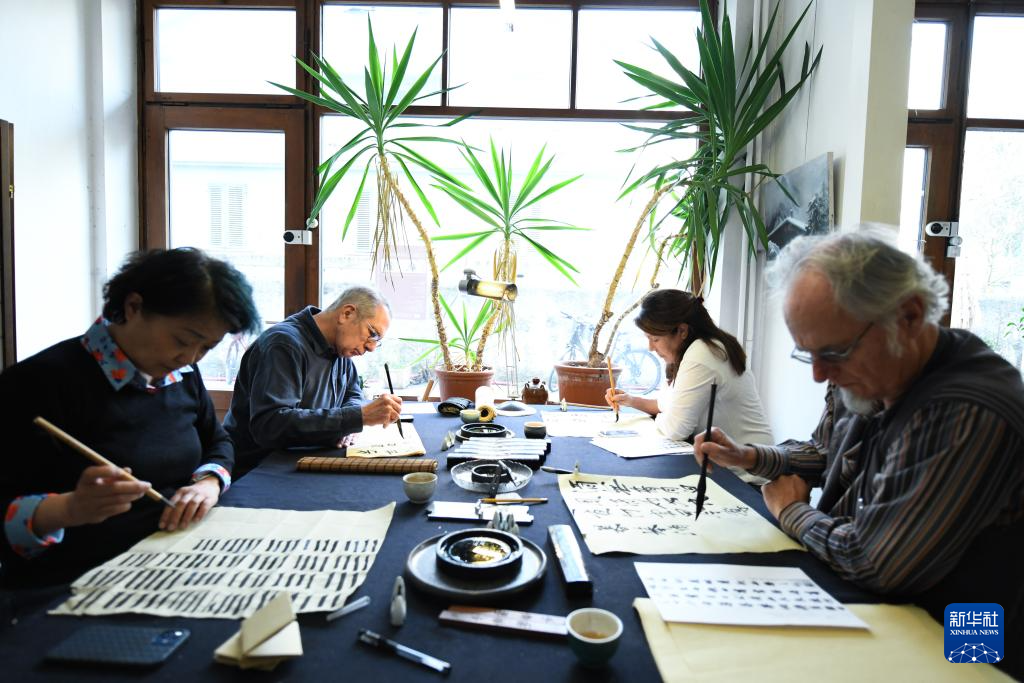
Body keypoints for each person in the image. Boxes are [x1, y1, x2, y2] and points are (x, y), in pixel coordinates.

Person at [695, 229, 1024, 674]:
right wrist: (749, 457)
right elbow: (829, 451)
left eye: (834, 352)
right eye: (808, 353)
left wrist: (791, 511)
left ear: (908, 315)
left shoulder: (963, 410)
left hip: (966, 638)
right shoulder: (882, 368)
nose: (819, 374)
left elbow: (877, 563)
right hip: (882, 611)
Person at [0, 248, 261, 587]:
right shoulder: (38, 382)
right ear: (133, 306)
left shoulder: (181, 374)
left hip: (174, 559)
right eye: (183, 340)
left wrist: (208, 484)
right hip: (76, 581)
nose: (190, 357)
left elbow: (217, 440)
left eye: (206, 348)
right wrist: (69, 508)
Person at [224, 286, 402, 476]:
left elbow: (352, 393)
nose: (372, 347)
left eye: (377, 341)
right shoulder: (283, 345)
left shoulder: (340, 348)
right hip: (258, 471)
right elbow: (271, 425)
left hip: (303, 462)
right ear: (347, 314)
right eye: (372, 333)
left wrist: (349, 425)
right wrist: (357, 417)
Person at [605, 289, 773, 482]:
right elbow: (666, 405)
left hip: (748, 479)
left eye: (655, 339)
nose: (650, 348)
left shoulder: (702, 354)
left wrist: (662, 417)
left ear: (682, 331)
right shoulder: (694, 351)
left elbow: (676, 429)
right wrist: (630, 400)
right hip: (729, 469)